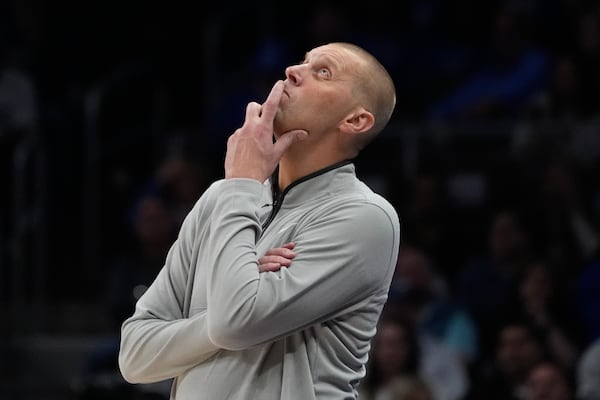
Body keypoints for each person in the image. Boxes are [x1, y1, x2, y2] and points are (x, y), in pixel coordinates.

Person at [118, 41, 400, 400]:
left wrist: (242, 183)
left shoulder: (365, 217)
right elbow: (135, 357)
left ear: (355, 120)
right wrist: (230, 304)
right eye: (302, 62)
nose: (292, 72)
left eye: (323, 72)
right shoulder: (220, 200)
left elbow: (235, 322)